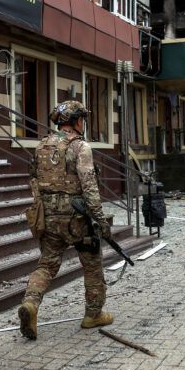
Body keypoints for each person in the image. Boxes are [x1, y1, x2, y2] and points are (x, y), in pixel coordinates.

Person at [18, 101, 113, 340]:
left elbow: (34, 182)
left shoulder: (41, 146)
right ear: (78, 121)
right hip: (77, 217)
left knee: (47, 265)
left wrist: (43, 208)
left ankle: (30, 303)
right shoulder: (80, 146)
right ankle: (93, 314)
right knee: (92, 263)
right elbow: (90, 187)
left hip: (49, 217)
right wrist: (101, 221)